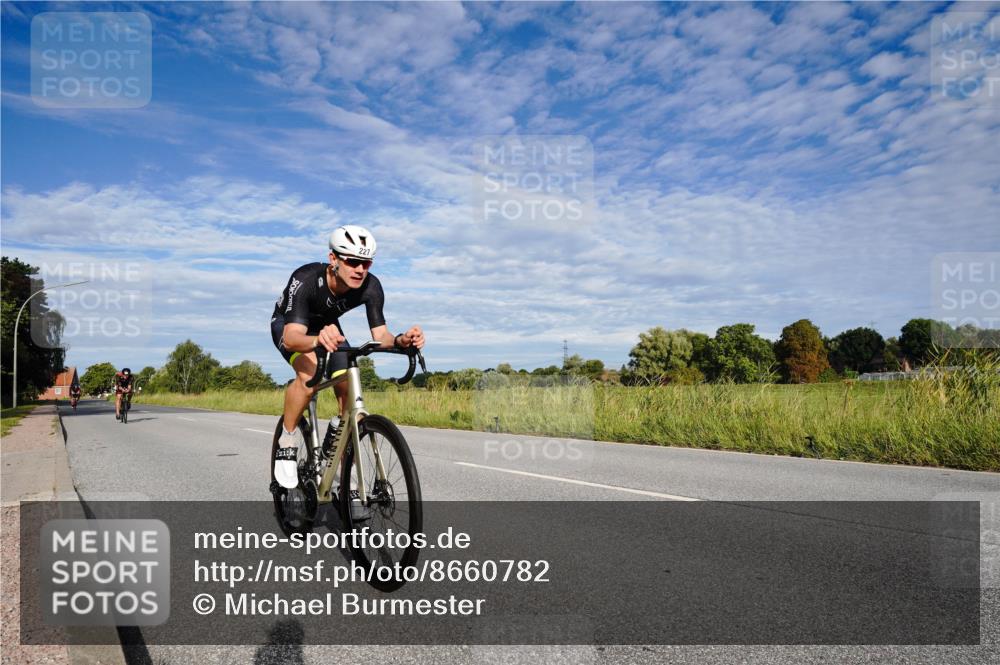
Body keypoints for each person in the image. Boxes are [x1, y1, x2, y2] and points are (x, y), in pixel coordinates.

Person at [270, 225, 424, 489]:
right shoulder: (306, 278)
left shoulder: (371, 286)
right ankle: (288, 439)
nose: (360, 269)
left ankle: (339, 448)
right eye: (352, 261)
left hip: (329, 328)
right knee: (309, 374)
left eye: (366, 263)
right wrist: (317, 340)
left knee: (348, 389)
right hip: (291, 326)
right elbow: (292, 337)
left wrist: (401, 340)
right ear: (334, 259)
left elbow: (381, 336)